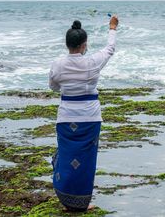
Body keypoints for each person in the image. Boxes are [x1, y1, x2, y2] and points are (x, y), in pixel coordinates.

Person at [49, 15, 119, 212]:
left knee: (67, 157)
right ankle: (82, 203)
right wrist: (112, 27)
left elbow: (53, 87)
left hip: (66, 118)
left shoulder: (57, 64)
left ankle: (66, 199)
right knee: (86, 162)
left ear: (67, 44)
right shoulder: (92, 63)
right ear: (84, 45)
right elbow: (109, 49)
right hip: (90, 118)